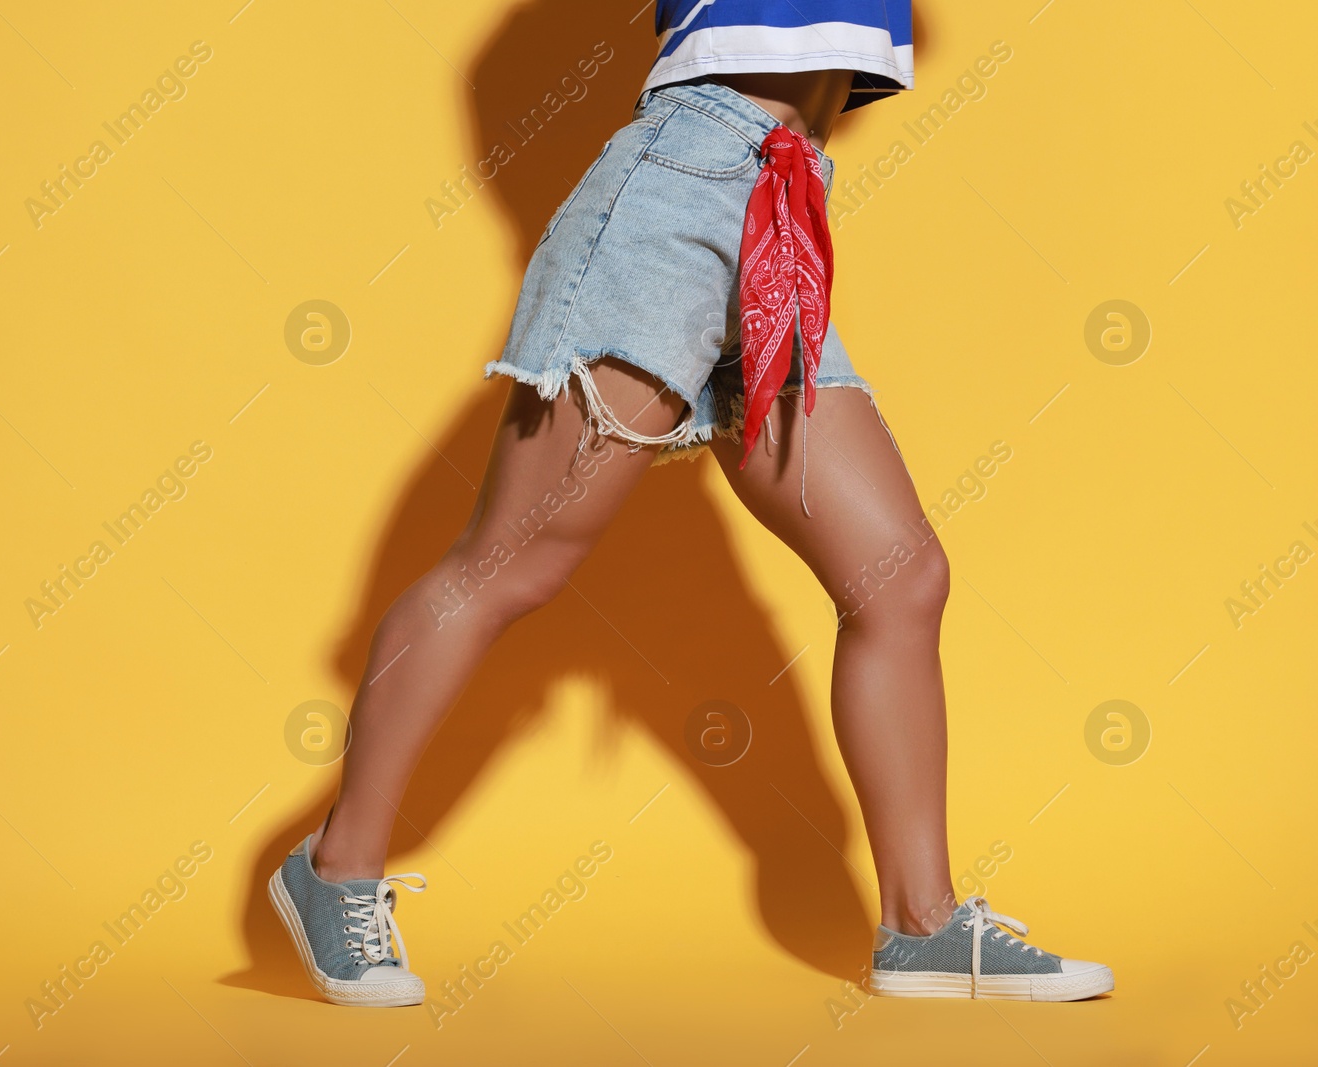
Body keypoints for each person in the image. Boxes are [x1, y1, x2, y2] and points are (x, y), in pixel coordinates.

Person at [266, 0, 1114, 1005]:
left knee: (899, 576)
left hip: (782, 199)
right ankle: (333, 870)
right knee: (510, 564)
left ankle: (921, 924)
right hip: (675, 193)